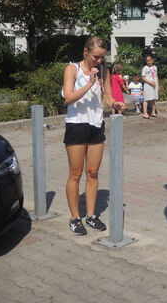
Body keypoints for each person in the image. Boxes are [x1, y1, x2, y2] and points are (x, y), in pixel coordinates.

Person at [62, 36, 126, 236]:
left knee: (93, 172)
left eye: (102, 58)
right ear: (86, 52)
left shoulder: (104, 71)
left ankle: (90, 216)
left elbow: (107, 97)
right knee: (76, 173)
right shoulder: (72, 69)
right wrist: (89, 83)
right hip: (76, 125)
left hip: (96, 124)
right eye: (96, 57)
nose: (99, 61)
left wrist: (114, 103)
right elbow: (68, 97)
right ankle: (74, 218)